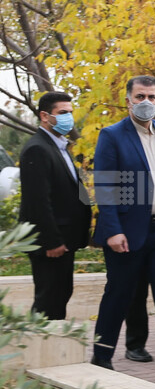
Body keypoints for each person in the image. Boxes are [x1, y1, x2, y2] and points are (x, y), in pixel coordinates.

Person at [90, 75, 155, 380]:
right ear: (128, 100)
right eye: (140, 97)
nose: (146, 102)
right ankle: (102, 354)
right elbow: (105, 186)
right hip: (127, 232)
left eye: (151, 97)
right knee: (118, 294)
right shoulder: (112, 135)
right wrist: (111, 230)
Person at [18, 91, 92, 320]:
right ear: (44, 116)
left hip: (65, 239)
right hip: (51, 243)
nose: (68, 118)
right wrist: (52, 241)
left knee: (60, 294)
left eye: (70, 112)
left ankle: (52, 352)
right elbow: (37, 201)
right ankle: (36, 351)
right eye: (62, 113)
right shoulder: (37, 149)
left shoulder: (59, 147)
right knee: (48, 300)